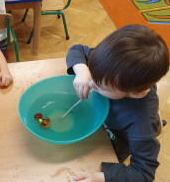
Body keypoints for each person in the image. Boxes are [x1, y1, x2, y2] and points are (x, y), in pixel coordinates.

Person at [66, 24, 169, 182]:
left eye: (101, 87)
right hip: (95, 126)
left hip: (111, 145)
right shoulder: (111, 65)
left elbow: (143, 174)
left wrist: (100, 177)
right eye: (94, 74)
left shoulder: (141, 123)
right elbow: (77, 49)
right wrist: (82, 71)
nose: (92, 84)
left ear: (135, 94)